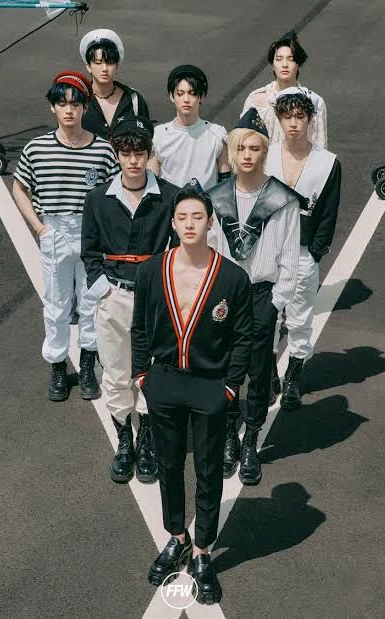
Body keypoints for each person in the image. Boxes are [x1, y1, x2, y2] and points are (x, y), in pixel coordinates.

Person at [132, 184, 252, 605]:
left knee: (208, 468)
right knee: (168, 464)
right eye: (182, 217)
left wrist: (230, 386)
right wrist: (142, 375)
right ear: (173, 222)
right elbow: (139, 327)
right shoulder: (152, 270)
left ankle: (202, 550)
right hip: (164, 380)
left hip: (209, 384)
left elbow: (243, 337)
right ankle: (176, 536)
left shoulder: (233, 277)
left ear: (210, 222)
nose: (189, 224)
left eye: (197, 217)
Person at [81, 116, 179, 484]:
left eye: (140, 152)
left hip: (155, 300)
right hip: (114, 296)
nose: (133, 160)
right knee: (115, 371)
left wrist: (168, 293)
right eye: (126, 153)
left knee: (151, 370)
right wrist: (103, 290)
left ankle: (147, 437)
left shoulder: (170, 196)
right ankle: (125, 439)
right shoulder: (97, 199)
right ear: (117, 154)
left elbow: (178, 248)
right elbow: (90, 251)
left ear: (149, 153)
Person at [208, 108, 302, 485]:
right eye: (241, 148)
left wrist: (276, 303)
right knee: (224, 366)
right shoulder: (217, 197)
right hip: (225, 295)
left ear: (264, 151)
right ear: (232, 152)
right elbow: (210, 251)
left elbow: (291, 259)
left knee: (259, 370)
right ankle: (230, 432)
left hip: (262, 295)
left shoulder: (282, 199)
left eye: (255, 148)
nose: (247, 155)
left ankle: (251, 438)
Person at [13, 71, 119, 401]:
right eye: (62, 103)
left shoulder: (102, 150)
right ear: (53, 107)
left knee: (91, 302)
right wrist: (39, 227)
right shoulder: (37, 148)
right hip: (55, 230)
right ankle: (58, 365)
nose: (69, 109)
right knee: (56, 305)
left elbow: (115, 193)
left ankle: (87, 365)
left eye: (75, 103)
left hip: (91, 234)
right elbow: (19, 187)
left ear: (85, 107)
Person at [266, 91, 341, 408]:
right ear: (279, 119)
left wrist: (315, 251)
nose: (293, 123)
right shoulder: (266, 155)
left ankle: (293, 378)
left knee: (299, 319)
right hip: (267, 250)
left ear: (310, 119)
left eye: (299, 117)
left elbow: (329, 213)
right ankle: (270, 374)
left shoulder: (327, 163)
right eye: (287, 117)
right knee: (267, 317)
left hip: (303, 250)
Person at [148, 65, 231, 189]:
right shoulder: (158, 135)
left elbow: (226, 184)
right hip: (170, 201)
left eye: (192, 94)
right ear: (171, 96)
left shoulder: (217, 134)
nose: (186, 99)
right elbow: (151, 182)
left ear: (201, 97)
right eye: (180, 94)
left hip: (207, 201)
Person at [241, 30, 327, 147]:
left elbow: (320, 145)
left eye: (291, 59)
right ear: (272, 64)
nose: (285, 64)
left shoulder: (314, 101)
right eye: (279, 59)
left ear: (298, 64)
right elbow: (241, 140)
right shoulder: (255, 100)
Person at [79, 28, 150, 140]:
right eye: (98, 62)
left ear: (117, 66)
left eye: (110, 63)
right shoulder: (78, 99)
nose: (104, 68)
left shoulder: (133, 100)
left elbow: (146, 139)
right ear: (88, 67)